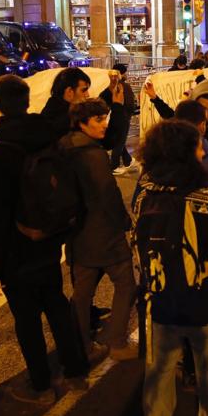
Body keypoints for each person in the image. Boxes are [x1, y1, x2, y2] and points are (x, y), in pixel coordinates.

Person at [132, 120, 208, 416]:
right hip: (204, 302)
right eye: (196, 146)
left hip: (161, 298)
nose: (201, 151)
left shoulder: (145, 193)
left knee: (160, 369)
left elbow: (138, 242)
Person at [0, 75, 88, 405]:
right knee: (56, 303)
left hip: (17, 250)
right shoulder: (48, 138)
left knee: (27, 320)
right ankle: (75, 369)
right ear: (27, 101)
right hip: (49, 239)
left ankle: (40, 384)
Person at [60, 99, 139, 364]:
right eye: (98, 120)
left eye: (104, 118)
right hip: (103, 232)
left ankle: (81, 346)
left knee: (82, 293)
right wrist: (124, 222)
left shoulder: (65, 146)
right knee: (126, 284)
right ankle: (115, 340)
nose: (104, 124)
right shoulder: (92, 155)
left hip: (76, 232)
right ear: (82, 123)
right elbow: (108, 193)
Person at [41, 67, 91, 140]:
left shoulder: (71, 110)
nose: (88, 95)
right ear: (69, 91)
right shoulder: (55, 118)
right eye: (84, 90)